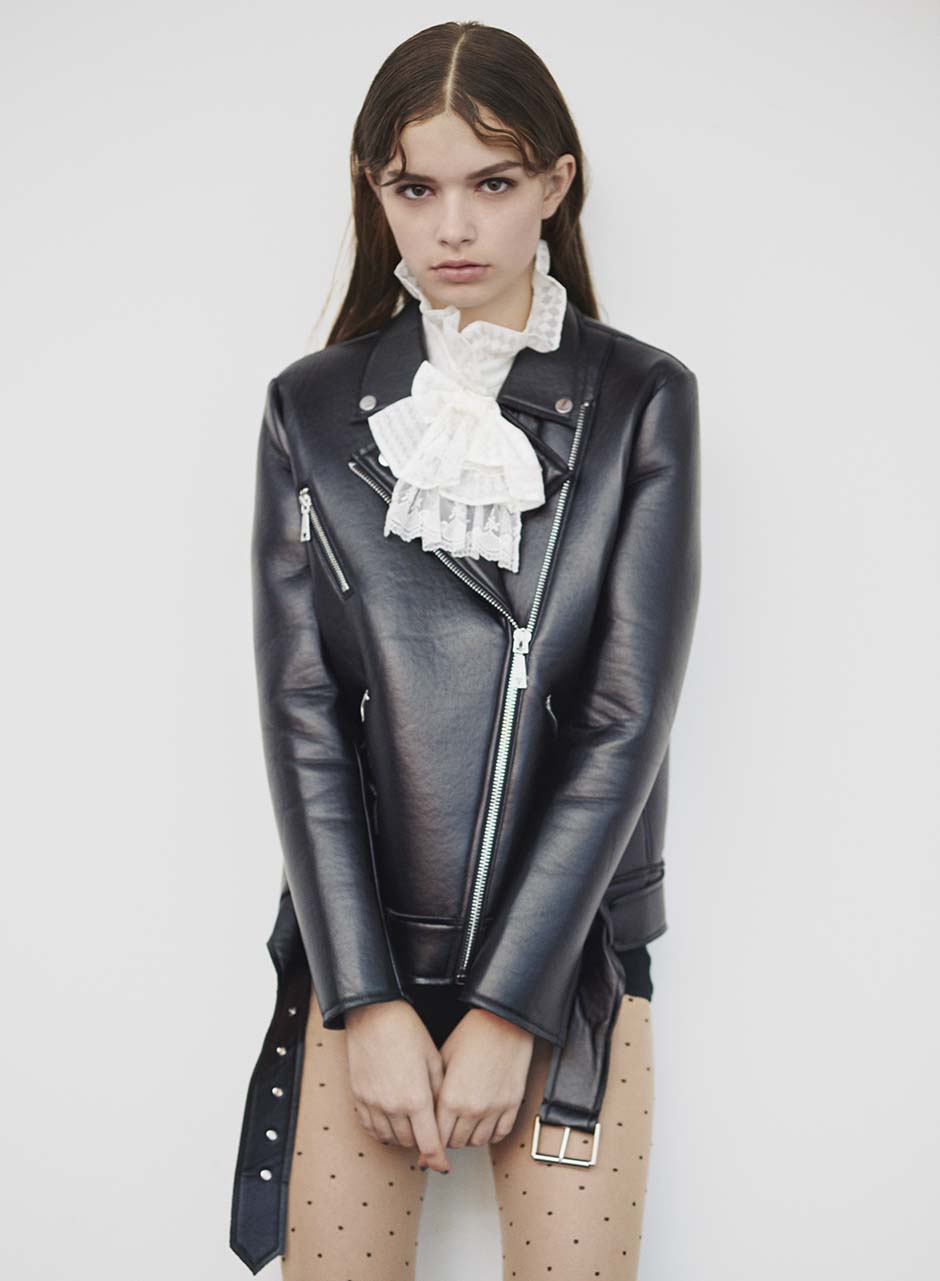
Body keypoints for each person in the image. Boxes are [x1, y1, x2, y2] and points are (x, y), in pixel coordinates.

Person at [229, 20, 701, 1281]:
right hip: (361, 955)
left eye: (492, 182)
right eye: (414, 187)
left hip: (570, 959)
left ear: (554, 182)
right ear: (373, 191)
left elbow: (623, 718)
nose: (453, 226)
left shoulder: (643, 399)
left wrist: (509, 1008)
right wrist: (367, 1001)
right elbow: (303, 714)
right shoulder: (308, 410)